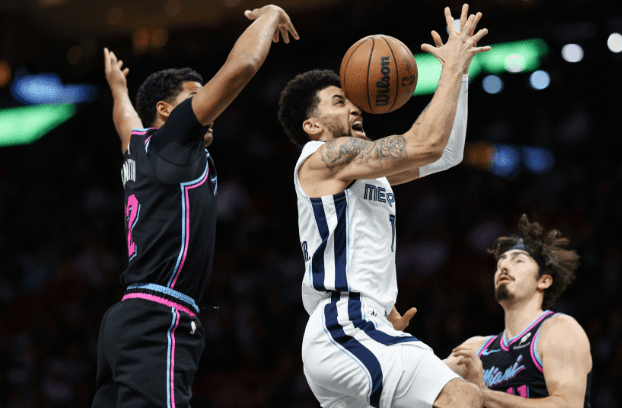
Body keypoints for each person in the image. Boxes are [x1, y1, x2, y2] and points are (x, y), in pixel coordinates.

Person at [277, 4, 490, 408]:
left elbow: (446, 153)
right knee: (461, 396)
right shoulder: (325, 156)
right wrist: (450, 68)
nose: (355, 107)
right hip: (345, 323)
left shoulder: (362, 172)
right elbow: (425, 143)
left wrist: (460, 75)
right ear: (312, 126)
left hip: (358, 324)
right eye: (339, 101)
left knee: (460, 379)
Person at [93, 5, 298, 407]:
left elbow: (124, 119)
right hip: (159, 316)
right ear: (166, 111)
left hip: (123, 318)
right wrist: (270, 15)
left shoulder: (137, 148)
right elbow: (241, 66)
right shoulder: (173, 141)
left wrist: (118, 88)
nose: (206, 104)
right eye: (193, 96)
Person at [446, 215, 593, 407]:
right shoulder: (476, 348)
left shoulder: (559, 330)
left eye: (518, 261)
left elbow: (568, 405)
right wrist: (402, 337)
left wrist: (484, 395)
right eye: (500, 263)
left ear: (543, 280)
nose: (504, 266)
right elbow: (422, 377)